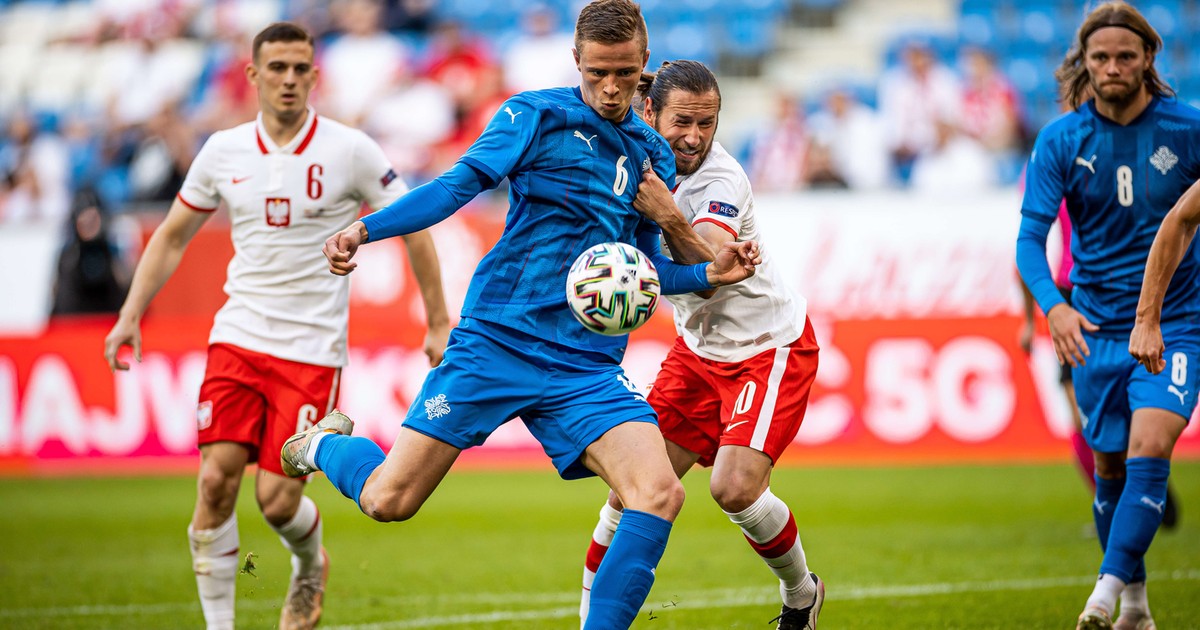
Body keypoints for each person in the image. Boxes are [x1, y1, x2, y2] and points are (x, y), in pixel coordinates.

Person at [277, 2, 761, 628]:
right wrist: (364, 230)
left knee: (658, 492)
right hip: (498, 342)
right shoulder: (533, 115)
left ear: (643, 67)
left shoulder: (652, 157)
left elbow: (643, 273)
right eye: (596, 74)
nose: (609, 89)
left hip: (585, 364)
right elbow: (455, 187)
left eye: (622, 74)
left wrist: (703, 274)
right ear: (576, 63)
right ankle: (323, 442)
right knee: (390, 500)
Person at [102, 22, 450, 630]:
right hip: (237, 335)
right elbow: (172, 236)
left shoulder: (351, 149)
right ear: (253, 75)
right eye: (278, 68)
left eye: (300, 68)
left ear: (315, 75)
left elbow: (415, 225)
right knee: (214, 483)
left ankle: (309, 563)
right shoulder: (222, 151)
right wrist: (130, 314)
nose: (289, 79)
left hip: (312, 349)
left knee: (278, 500)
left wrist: (437, 319)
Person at [577, 60, 823, 630]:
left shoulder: (720, 179)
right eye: (682, 122)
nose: (693, 137)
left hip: (767, 346)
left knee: (734, 488)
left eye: (706, 123)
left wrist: (664, 214)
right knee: (630, 492)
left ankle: (801, 594)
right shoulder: (629, 157)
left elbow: (710, 264)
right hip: (696, 350)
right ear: (650, 113)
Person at [1014, 4, 1200, 628]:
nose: (1113, 67)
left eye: (1126, 56)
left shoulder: (1189, 128)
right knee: (1109, 467)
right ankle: (1137, 608)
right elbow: (1027, 242)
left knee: (1152, 445)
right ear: (1084, 64)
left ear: (1149, 57)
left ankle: (1102, 594)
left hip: (1176, 322)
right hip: (1092, 330)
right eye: (1101, 58)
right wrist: (1054, 308)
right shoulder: (1062, 139)